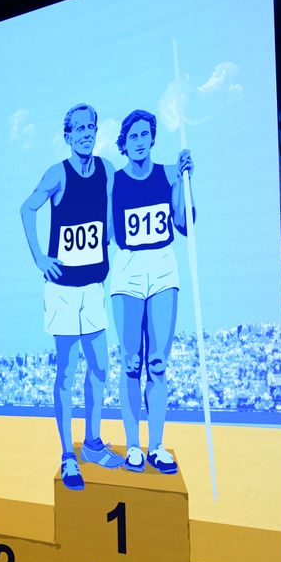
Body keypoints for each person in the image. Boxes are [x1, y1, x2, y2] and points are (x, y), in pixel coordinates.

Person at [19, 102, 123, 491]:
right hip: (63, 288)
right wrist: (39, 257)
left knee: (100, 368)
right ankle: (67, 455)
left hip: (93, 285)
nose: (85, 134)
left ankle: (92, 443)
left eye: (90, 127)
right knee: (67, 371)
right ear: (67, 136)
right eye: (78, 129)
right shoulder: (57, 173)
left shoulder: (107, 169)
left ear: (96, 131)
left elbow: (111, 215)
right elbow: (26, 208)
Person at [109, 110, 194, 476]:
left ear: (153, 138)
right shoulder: (114, 181)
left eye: (146, 134)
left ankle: (155, 445)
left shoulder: (169, 173)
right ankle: (133, 445)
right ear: (124, 143)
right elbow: (107, 230)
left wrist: (186, 181)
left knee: (157, 363)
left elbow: (184, 223)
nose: (140, 141)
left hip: (162, 268)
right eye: (134, 136)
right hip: (128, 270)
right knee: (131, 363)